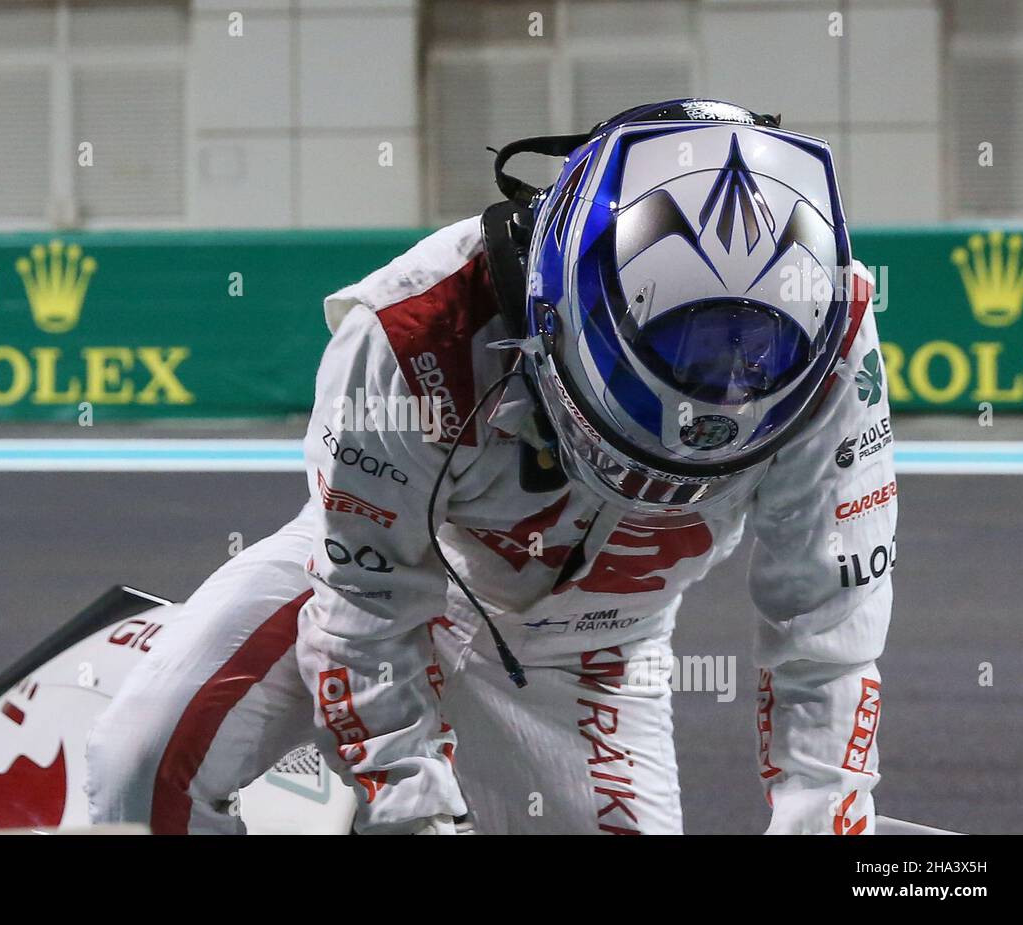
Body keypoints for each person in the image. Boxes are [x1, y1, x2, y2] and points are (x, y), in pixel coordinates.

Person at [86, 99, 895, 835]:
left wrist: (827, 824)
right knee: (140, 763)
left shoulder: (838, 333)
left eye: (747, 352)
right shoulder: (412, 329)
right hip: (400, 563)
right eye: (687, 348)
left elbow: (826, 627)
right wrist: (413, 803)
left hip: (594, 648)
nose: (712, 402)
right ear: (554, 310)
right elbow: (364, 602)